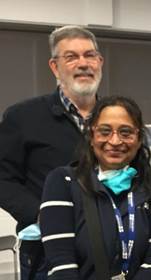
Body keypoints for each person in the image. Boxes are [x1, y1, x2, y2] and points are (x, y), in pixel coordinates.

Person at [0, 25, 103, 279]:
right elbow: (2, 178)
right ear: (55, 67)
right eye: (71, 57)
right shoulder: (22, 117)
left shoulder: (116, 118)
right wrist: (44, 214)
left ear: (100, 62)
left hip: (107, 247)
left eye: (89, 55)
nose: (83, 63)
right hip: (46, 252)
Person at [39, 95, 151, 279]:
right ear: (91, 136)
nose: (115, 141)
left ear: (139, 138)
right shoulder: (63, 182)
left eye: (126, 132)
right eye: (105, 131)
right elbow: (62, 266)